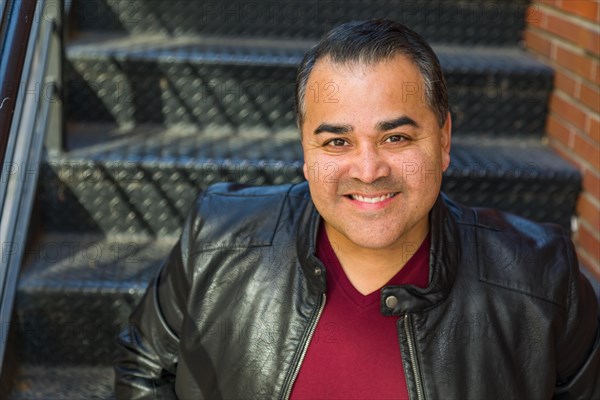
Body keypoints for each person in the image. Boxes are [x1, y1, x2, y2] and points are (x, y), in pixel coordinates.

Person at [115, 19, 599, 399]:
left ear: (445, 140)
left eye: (396, 137)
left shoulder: (540, 277)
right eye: (337, 141)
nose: (368, 170)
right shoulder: (218, 237)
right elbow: (145, 364)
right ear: (305, 150)